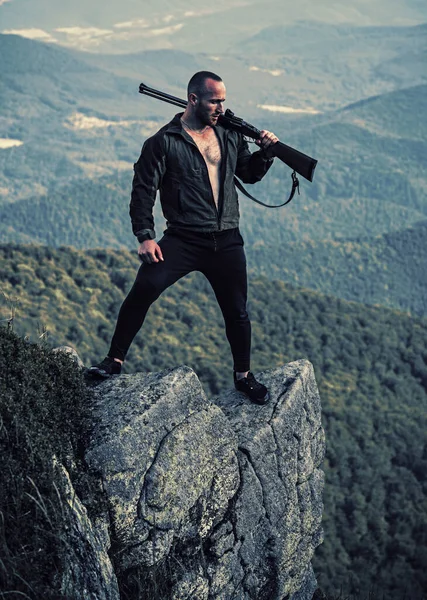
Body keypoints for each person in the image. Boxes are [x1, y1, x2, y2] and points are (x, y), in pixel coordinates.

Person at [88, 71, 278, 404]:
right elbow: (143, 191)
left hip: (227, 239)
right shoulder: (163, 142)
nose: (221, 107)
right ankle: (113, 361)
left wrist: (266, 153)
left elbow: (248, 174)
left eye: (223, 100)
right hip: (183, 238)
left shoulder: (230, 135)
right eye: (214, 100)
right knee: (144, 287)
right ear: (193, 99)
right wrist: (145, 237)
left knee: (237, 311)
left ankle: (244, 377)